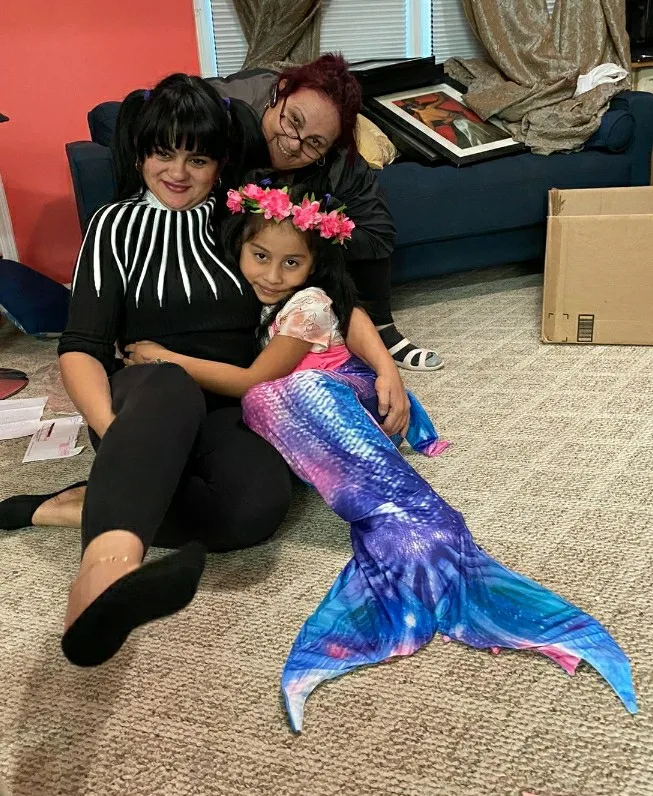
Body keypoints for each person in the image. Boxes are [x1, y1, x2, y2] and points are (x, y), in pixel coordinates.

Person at [126, 177, 636, 732]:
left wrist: (165, 358)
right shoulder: (261, 299)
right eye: (260, 256)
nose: (272, 275)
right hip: (333, 405)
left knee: (266, 395)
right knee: (270, 403)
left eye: (292, 263)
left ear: (313, 267)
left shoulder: (307, 303)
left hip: (348, 398)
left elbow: (257, 376)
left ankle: (424, 531)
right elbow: (349, 315)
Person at [0, 74, 409, 667]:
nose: (178, 172)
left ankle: (75, 504)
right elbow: (81, 345)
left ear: (219, 163)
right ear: (140, 154)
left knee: (254, 509)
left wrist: (386, 368)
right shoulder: (112, 226)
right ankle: (101, 582)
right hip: (146, 396)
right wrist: (117, 434)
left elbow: (328, 296)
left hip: (231, 400)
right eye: (163, 153)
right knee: (171, 381)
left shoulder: (246, 215)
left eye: (197, 158)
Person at [206, 53, 444, 372]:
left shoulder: (342, 161)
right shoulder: (226, 107)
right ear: (281, 91)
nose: (293, 144)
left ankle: (380, 328)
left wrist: (311, 229)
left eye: (314, 143)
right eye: (293, 120)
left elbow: (378, 235)